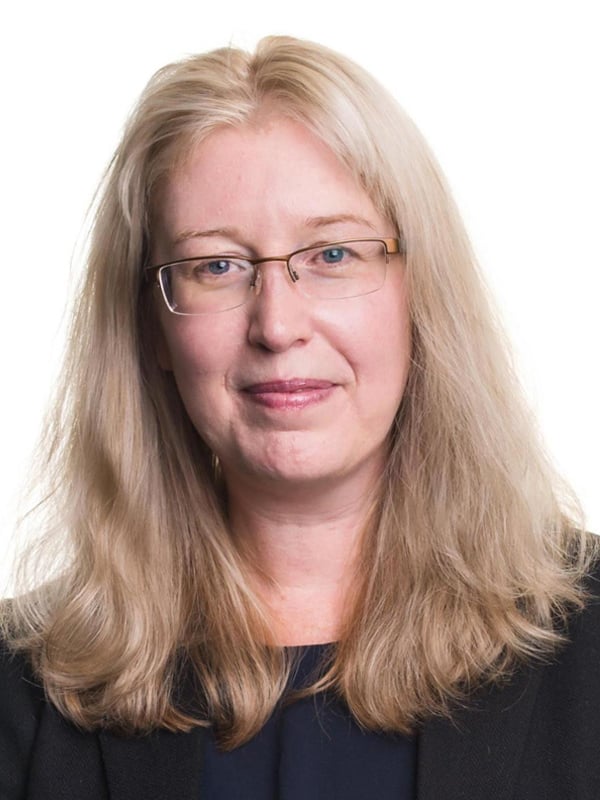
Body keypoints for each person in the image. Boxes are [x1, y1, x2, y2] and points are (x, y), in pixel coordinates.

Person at [1, 35, 599, 800]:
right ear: (151, 324)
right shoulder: (23, 692)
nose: (278, 325)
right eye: (216, 266)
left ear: (420, 292)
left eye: (333, 255)